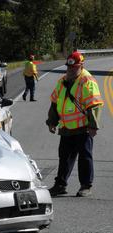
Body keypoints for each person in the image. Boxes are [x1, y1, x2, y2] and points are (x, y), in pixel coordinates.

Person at [46, 51, 104, 198]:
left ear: (81, 66)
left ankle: (85, 186)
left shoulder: (87, 81)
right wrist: (52, 122)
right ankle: (60, 185)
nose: (71, 69)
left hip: (83, 126)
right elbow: (55, 102)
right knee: (64, 157)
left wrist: (93, 125)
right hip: (66, 127)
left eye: (74, 67)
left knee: (85, 157)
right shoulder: (62, 81)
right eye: (69, 67)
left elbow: (94, 104)